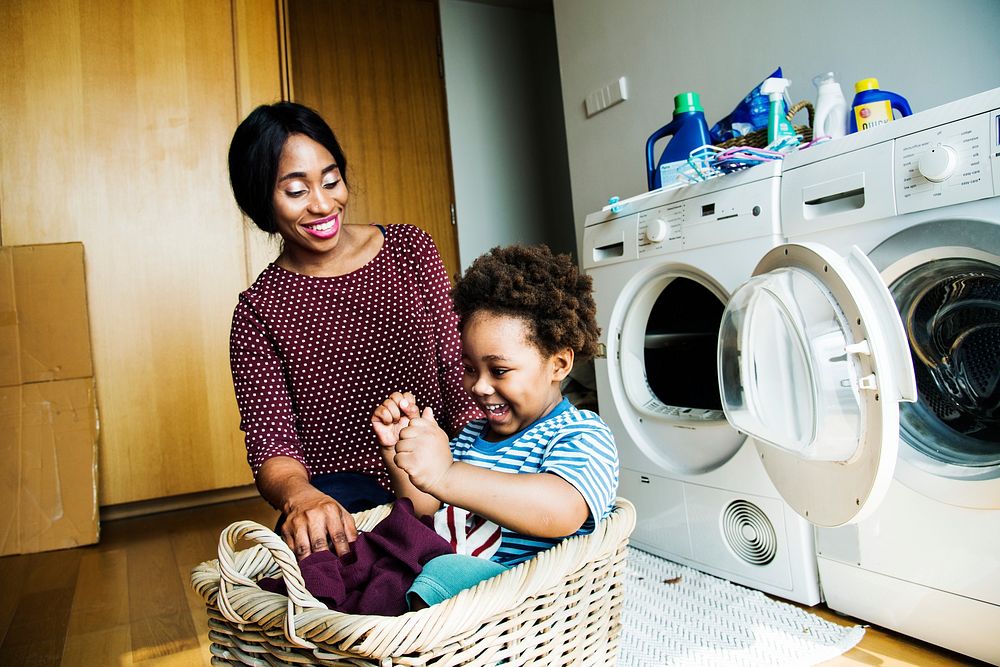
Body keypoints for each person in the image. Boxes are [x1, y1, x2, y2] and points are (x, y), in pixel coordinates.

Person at [227, 101, 482, 560]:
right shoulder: (258, 311)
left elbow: (458, 371)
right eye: (296, 191)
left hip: (444, 467)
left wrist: (483, 470)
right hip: (348, 500)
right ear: (260, 199)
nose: (323, 204)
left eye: (331, 181)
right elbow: (272, 445)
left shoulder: (410, 249)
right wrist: (301, 498)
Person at [371, 244, 619, 608]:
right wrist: (400, 455)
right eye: (470, 368)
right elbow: (428, 514)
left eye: (499, 370)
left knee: (445, 572)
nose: (480, 386)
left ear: (559, 364)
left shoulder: (581, 434)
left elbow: (561, 510)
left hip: (520, 602)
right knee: (379, 551)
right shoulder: (471, 437)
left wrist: (446, 475)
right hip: (448, 588)